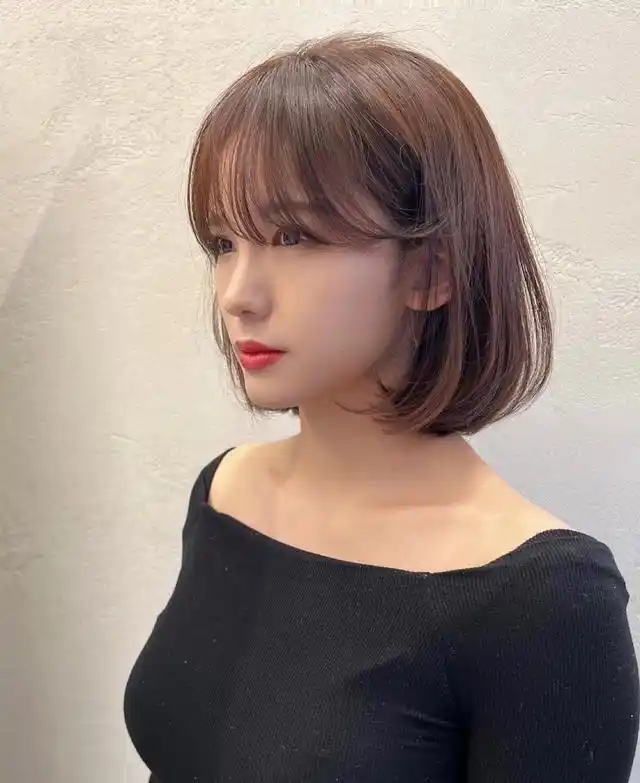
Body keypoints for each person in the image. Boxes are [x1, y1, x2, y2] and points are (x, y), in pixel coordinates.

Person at [123, 31, 639, 782]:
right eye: (223, 242)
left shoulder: (544, 600)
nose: (237, 294)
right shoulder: (226, 493)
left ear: (431, 271)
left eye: (293, 235)